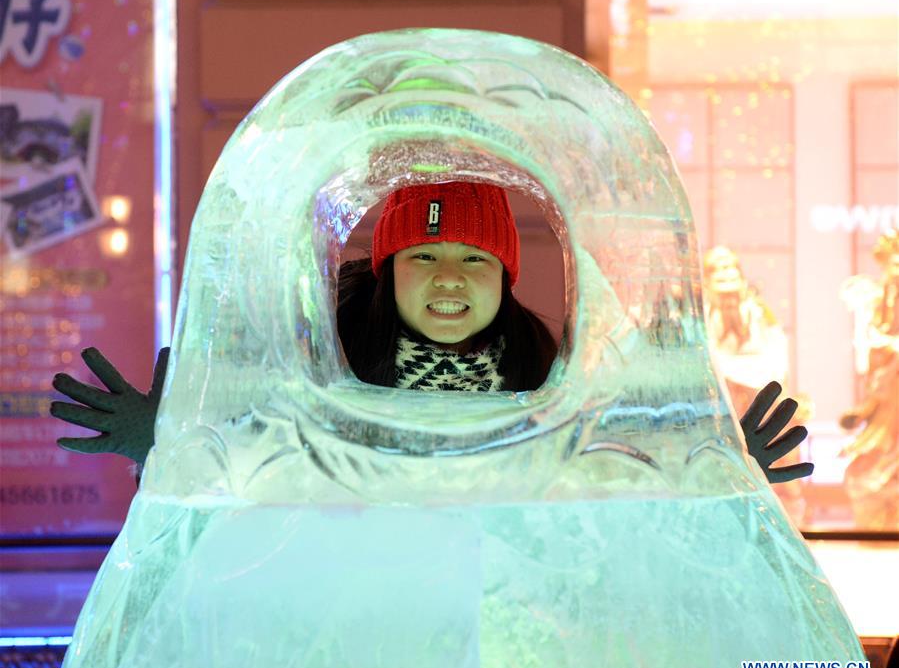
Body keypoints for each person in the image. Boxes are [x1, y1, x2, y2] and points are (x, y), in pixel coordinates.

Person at [49, 181, 811, 484]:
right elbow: (253, 471)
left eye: (474, 259)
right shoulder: (323, 367)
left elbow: (620, 482)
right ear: (387, 271)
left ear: (505, 276)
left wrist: (723, 469)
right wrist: (164, 444)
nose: (449, 279)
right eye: (423, 256)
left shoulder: (557, 374)